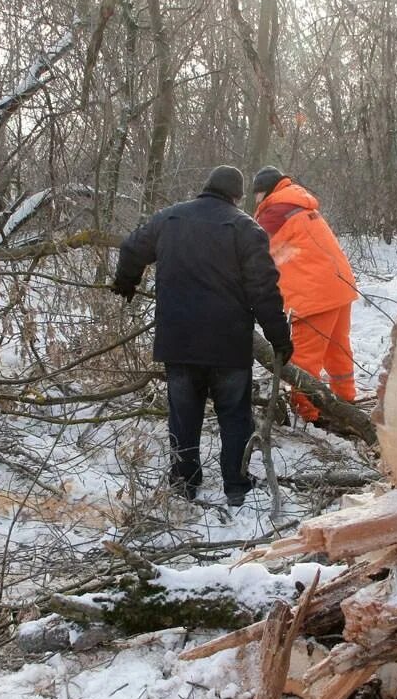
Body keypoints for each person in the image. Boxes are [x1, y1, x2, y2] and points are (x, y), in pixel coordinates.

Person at [111, 165, 292, 506]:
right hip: (229, 344)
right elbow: (263, 290)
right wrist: (279, 337)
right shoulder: (245, 228)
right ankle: (236, 484)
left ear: (206, 187)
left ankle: (184, 483)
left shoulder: (169, 219)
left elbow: (131, 248)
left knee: (184, 415)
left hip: (178, 341)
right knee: (234, 416)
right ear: (237, 196)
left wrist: (126, 282)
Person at [251, 167, 358, 422]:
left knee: (305, 360)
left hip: (314, 294)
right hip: (339, 286)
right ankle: (346, 402)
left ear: (264, 191)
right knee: (338, 351)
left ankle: (307, 414)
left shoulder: (275, 211)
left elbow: (251, 247)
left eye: (256, 194)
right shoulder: (300, 204)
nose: (255, 200)